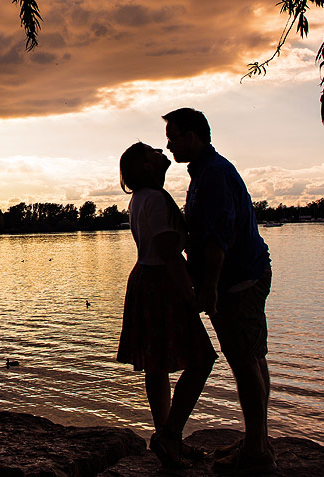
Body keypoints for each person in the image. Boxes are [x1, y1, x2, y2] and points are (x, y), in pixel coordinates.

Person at [163, 108, 274, 475]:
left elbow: (218, 236)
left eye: (174, 136)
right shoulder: (206, 172)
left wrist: (208, 286)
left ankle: (257, 453)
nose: (169, 144)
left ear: (194, 136)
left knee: (245, 363)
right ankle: (257, 440)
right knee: (253, 359)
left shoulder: (211, 175)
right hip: (244, 275)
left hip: (237, 281)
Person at [115, 142, 216, 469]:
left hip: (145, 277)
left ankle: (166, 438)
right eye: (151, 152)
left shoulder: (139, 198)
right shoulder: (156, 199)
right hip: (161, 281)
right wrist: (192, 294)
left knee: (157, 366)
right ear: (145, 167)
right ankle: (170, 435)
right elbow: (170, 253)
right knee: (201, 360)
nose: (160, 151)